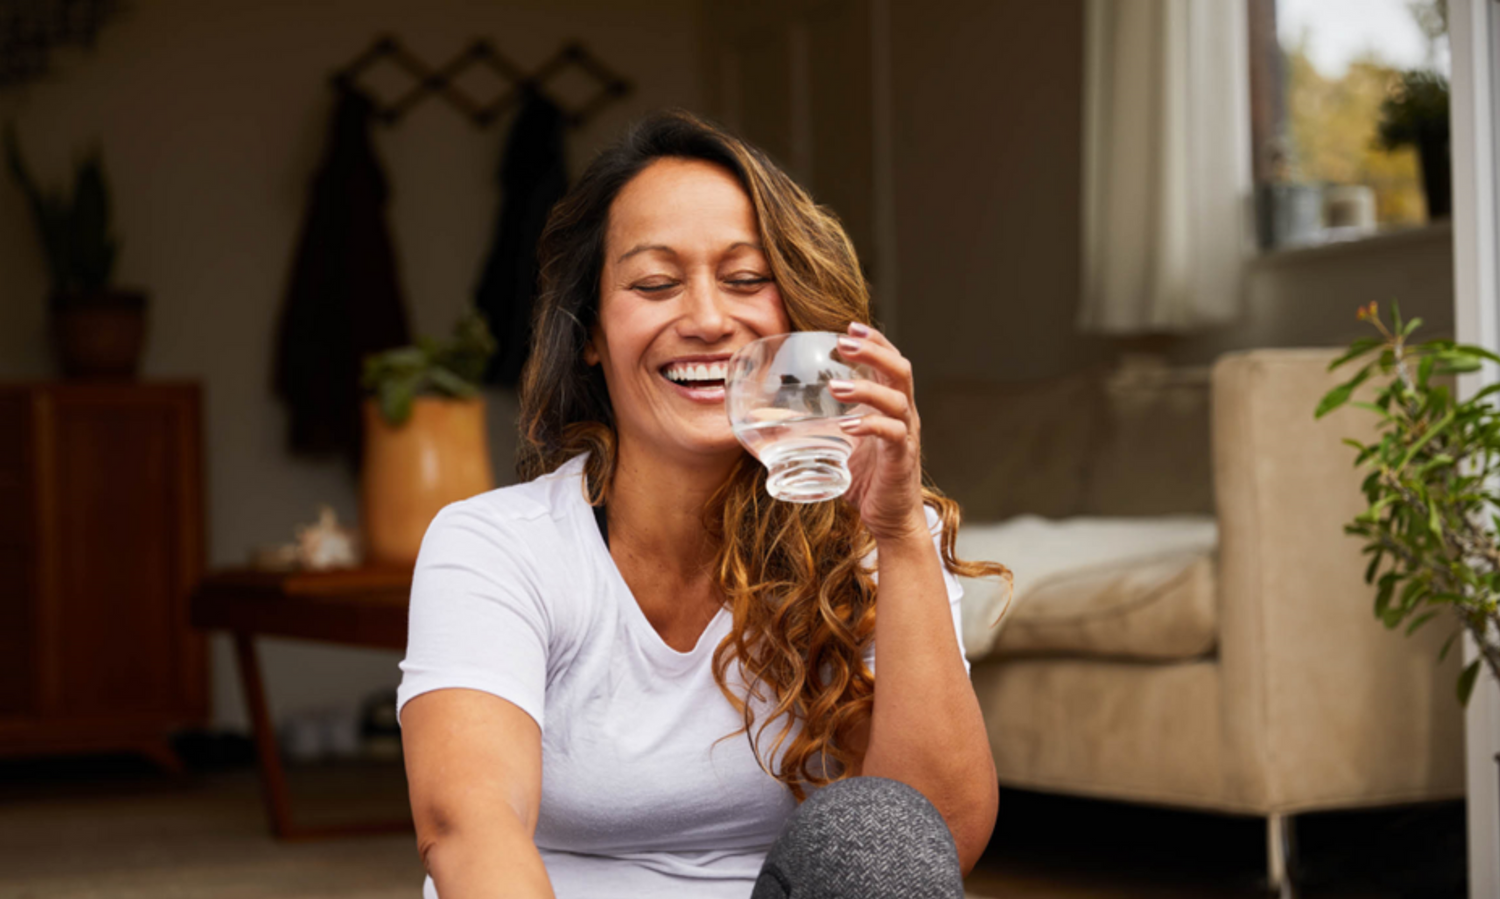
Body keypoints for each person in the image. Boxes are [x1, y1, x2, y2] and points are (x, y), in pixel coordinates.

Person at [397, 109, 1009, 899]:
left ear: (792, 315)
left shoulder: (876, 534)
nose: (710, 320)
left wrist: (896, 534)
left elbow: (933, 838)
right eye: (654, 283)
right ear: (590, 331)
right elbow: (468, 826)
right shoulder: (495, 545)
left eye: (748, 279)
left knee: (879, 831)